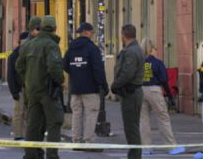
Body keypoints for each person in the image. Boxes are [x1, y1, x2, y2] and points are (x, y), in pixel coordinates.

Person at [16, 16, 63, 159]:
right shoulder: (51, 45)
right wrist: (60, 80)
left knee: (33, 124)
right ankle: (52, 155)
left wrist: (28, 80)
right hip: (47, 90)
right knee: (54, 122)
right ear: (54, 29)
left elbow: (19, 66)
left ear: (41, 28)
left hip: (32, 90)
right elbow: (54, 67)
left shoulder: (28, 45)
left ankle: (31, 154)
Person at [63, 22, 108, 147]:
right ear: (86, 32)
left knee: (76, 113)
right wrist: (103, 85)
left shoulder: (71, 48)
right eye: (92, 32)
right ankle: (88, 140)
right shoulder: (92, 48)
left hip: (75, 87)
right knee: (91, 113)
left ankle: (76, 139)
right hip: (90, 88)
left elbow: (65, 65)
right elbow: (98, 69)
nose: (92, 35)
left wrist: (75, 72)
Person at [139, 39, 184, 156]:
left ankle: (146, 148)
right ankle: (171, 146)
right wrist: (170, 96)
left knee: (143, 120)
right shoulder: (157, 63)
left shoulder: (138, 62)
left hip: (140, 90)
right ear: (151, 49)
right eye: (156, 48)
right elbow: (164, 80)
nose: (157, 51)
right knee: (163, 117)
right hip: (154, 90)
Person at [112, 24, 144, 159]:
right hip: (130, 92)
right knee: (131, 127)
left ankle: (134, 156)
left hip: (131, 93)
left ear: (123, 35)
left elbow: (127, 73)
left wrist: (115, 85)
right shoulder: (132, 49)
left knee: (131, 128)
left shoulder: (131, 51)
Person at [8, 31, 30, 140]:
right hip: (19, 88)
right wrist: (14, 91)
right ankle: (17, 134)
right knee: (18, 112)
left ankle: (26, 135)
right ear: (20, 41)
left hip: (29, 87)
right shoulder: (14, 55)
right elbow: (10, 75)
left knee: (27, 113)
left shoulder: (30, 52)